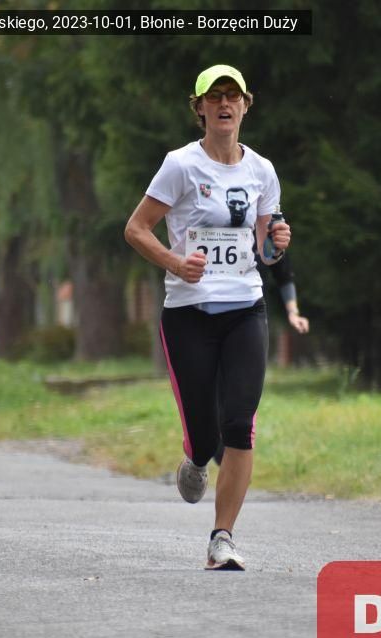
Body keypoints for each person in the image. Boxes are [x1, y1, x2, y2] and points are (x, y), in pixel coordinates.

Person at [125, 65, 291, 570]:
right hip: (188, 314)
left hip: (245, 309)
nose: (224, 103)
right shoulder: (180, 165)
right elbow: (136, 229)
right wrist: (175, 262)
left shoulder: (261, 170)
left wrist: (277, 243)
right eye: (213, 96)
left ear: (245, 105)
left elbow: (265, 249)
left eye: (232, 96)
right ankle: (196, 457)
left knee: (240, 424)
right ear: (198, 107)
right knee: (205, 433)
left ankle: (222, 539)